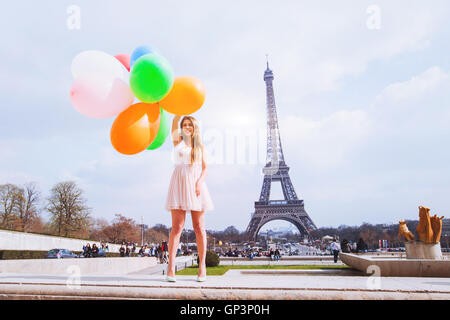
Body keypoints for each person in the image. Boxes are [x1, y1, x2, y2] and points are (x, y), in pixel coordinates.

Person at [164, 115, 214, 283]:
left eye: (189, 125)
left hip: (195, 185)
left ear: (194, 127)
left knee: (199, 227)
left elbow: (206, 169)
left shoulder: (200, 146)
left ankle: (202, 266)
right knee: (177, 227)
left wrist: (199, 182)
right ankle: (170, 267)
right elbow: (173, 124)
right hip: (178, 184)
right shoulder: (177, 141)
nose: (187, 127)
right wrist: (177, 108)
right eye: (184, 124)